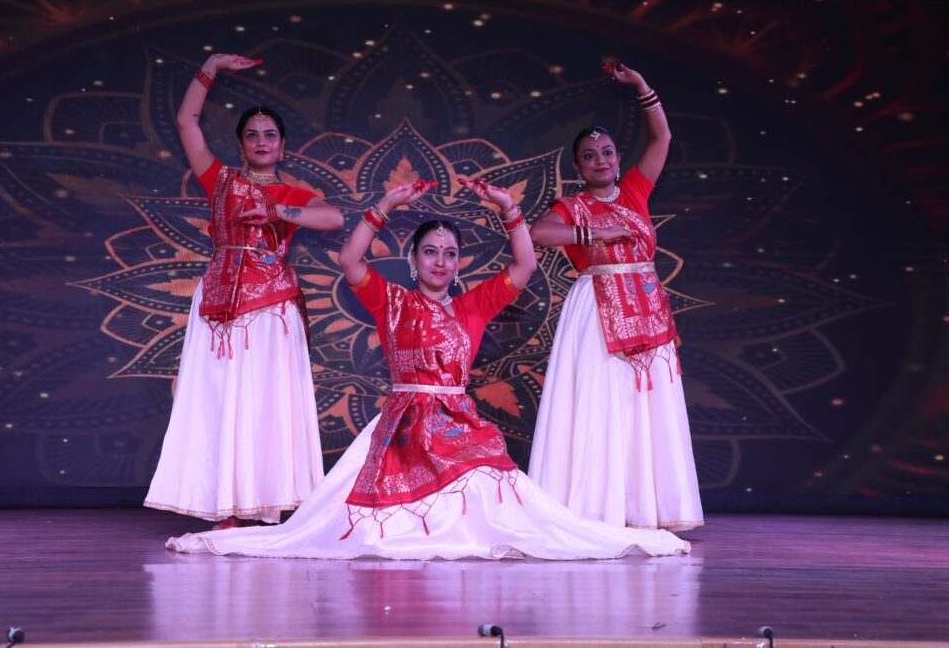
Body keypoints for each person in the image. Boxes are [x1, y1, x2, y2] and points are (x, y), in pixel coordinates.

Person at [164, 177, 690, 559]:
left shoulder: (473, 306)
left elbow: (525, 265)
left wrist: (509, 209)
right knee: (364, 528)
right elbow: (352, 262)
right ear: (414, 261)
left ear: (459, 264)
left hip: (459, 426)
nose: (442, 261)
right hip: (400, 430)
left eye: (451, 254)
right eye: (431, 252)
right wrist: (384, 206)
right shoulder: (390, 301)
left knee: (504, 514)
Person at [144, 54, 344, 529]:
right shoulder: (221, 181)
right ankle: (224, 507)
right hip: (220, 309)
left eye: (269, 134)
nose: (261, 141)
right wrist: (210, 66)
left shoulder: (294, 194)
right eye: (251, 134)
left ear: (282, 144)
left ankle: (269, 500)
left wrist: (279, 213)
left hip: (272, 310)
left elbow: (333, 217)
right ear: (240, 143)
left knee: (267, 404)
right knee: (222, 402)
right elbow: (186, 120)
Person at [528, 61, 704, 532]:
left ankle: (646, 509)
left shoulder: (635, 192)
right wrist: (592, 231)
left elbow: (661, 139)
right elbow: (539, 232)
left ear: (618, 159)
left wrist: (644, 87)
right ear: (578, 166)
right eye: (590, 155)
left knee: (646, 406)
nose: (601, 160)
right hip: (597, 308)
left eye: (607, 152)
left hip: (645, 307)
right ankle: (593, 506)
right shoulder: (574, 205)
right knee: (602, 403)